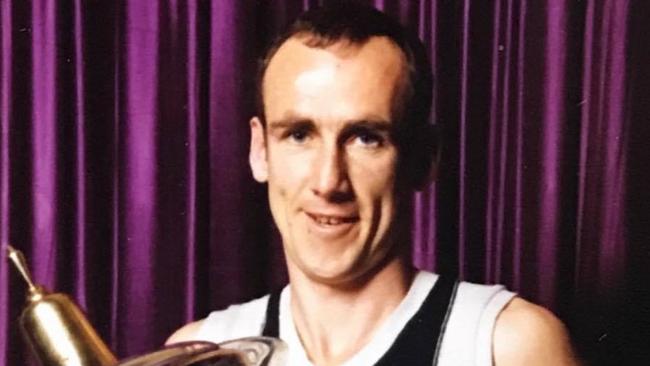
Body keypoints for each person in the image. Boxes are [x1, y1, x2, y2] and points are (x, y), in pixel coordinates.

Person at [168, 3, 580, 365]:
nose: (329, 181)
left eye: (365, 137)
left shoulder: (504, 346)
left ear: (422, 159)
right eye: (299, 134)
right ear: (260, 151)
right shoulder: (205, 355)